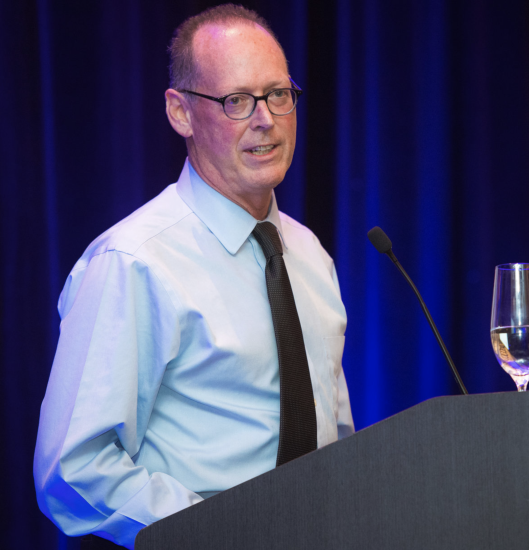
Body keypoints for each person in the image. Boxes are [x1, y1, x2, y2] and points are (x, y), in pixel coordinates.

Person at [33, 5, 354, 549]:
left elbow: (334, 442)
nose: (265, 120)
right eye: (237, 101)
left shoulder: (309, 254)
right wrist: (224, 535)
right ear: (180, 113)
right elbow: (74, 467)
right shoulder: (134, 261)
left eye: (278, 94)